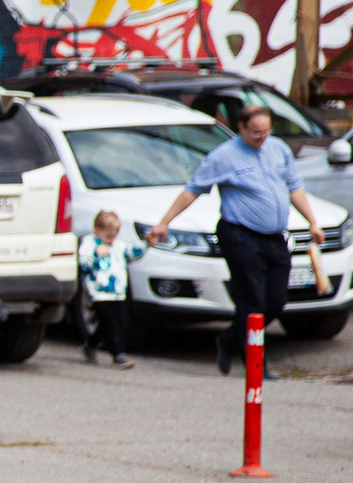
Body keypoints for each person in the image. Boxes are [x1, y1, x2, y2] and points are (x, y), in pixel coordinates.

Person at [149, 102, 325, 374]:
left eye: (266, 132)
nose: (262, 138)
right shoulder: (223, 156)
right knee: (251, 301)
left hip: (274, 237)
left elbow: (295, 188)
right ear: (241, 128)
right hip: (240, 235)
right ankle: (256, 364)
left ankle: (229, 339)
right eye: (256, 133)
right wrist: (164, 223)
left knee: (276, 301)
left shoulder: (278, 149)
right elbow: (191, 190)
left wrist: (313, 222)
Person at [78, 209, 146, 368]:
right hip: (99, 293)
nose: (111, 240)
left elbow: (132, 253)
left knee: (115, 324)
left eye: (114, 235)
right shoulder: (89, 244)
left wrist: (146, 244)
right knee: (110, 324)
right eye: (108, 236)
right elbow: (84, 265)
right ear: (97, 231)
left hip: (118, 293)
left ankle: (90, 344)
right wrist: (96, 255)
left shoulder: (118, 246)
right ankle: (117, 353)